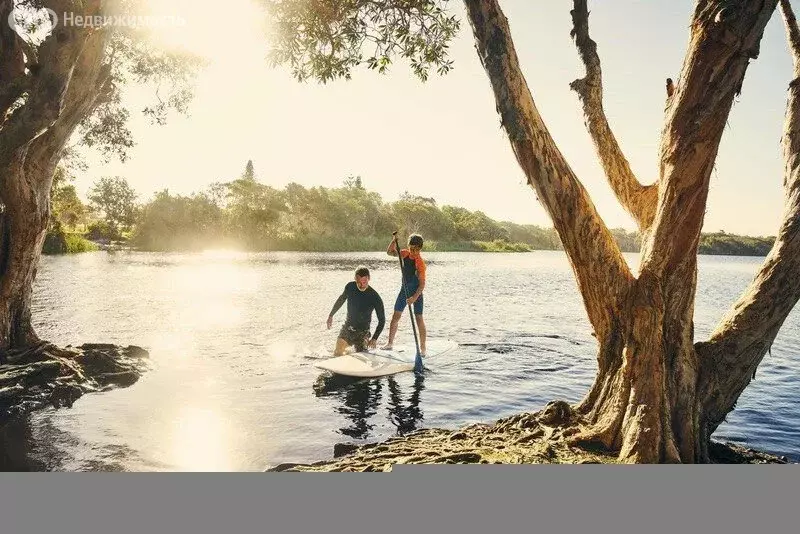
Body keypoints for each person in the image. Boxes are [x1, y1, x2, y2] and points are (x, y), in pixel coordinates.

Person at [382, 233, 426, 355]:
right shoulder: (404, 253)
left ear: (420, 249)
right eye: (412, 248)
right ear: (408, 246)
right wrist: (393, 241)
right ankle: (390, 343)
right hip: (404, 291)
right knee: (395, 317)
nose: (414, 251)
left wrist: (414, 298)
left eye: (417, 249)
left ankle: (423, 348)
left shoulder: (420, 264)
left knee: (419, 319)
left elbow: (422, 285)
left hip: (417, 293)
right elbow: (390, 252)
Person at [327, 266, 386, 355]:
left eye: (364, 282)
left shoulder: (375, 297)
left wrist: (374, 338)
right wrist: (331, 315)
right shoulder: (350, 287)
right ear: (355, 279)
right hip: (348, 328)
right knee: (338, 352)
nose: (362, 285)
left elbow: (382, 320)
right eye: (359, 282)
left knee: (362, 355)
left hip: (363, 332)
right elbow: (341, 300)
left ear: (369, 278)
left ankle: (355, 349)